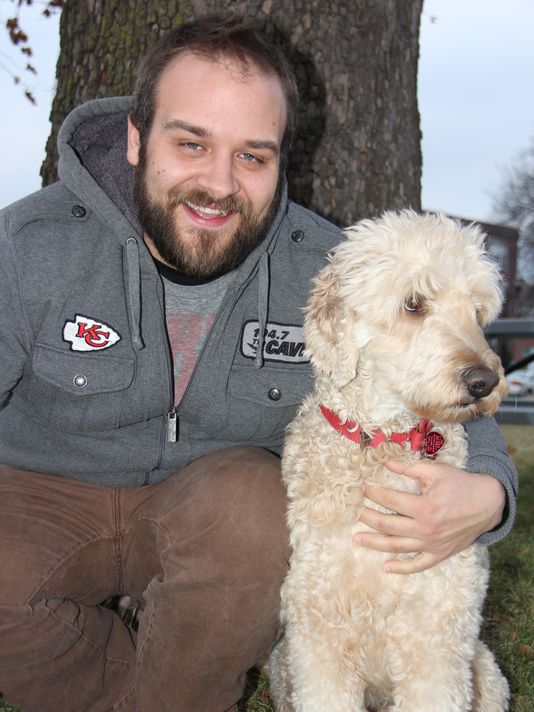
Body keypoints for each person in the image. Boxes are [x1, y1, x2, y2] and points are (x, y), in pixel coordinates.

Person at [0, 14, 518, 712]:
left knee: (253, 513)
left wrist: (487, 491)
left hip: (208, 508)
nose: (219, 183)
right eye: (191, 143)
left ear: (280, 159)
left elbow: (444, 383)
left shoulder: (331, 267)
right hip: (44, 494)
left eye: (253, 156)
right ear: (135, 137)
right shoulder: (30, 245)